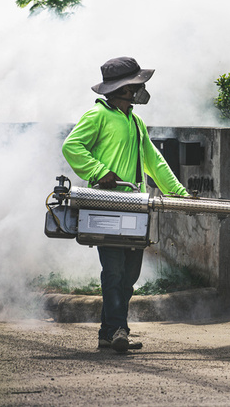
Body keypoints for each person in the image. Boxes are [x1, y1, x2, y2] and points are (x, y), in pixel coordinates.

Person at [62, 56, 188, 352]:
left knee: (129, 274)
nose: (138, 89)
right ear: (122, 89)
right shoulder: (98, 116)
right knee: (114, 271)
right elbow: (71, 146)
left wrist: (179, 193)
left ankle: (108, 332)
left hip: (135, 206)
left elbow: (154, 162)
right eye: (134, 85)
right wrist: (98, 171)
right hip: (107, 205)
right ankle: (119, 329)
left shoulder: (134, 120)